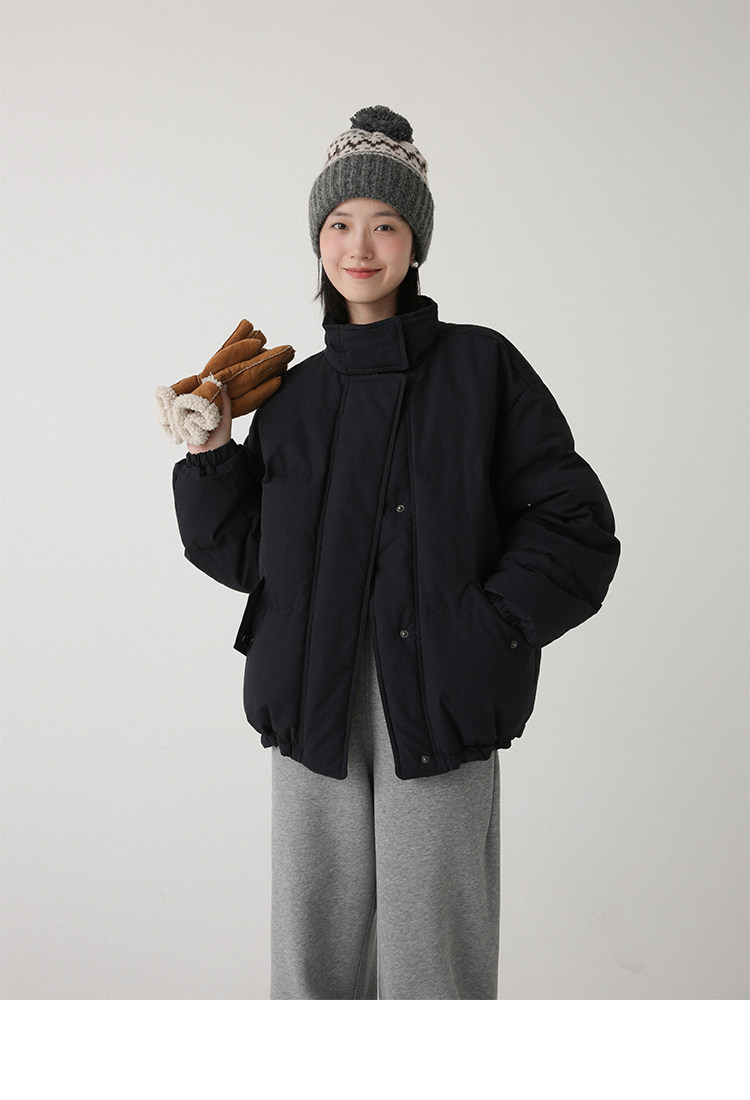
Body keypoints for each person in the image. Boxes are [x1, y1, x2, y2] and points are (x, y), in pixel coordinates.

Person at [171, 106, 620, 1000]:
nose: (360, 245)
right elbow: (250, 554)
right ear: (318, 240)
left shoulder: (482, 369)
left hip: (441, 703)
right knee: (313, 969)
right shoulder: (294, 398)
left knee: (433, 968)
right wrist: (212, 457)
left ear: (415, 242)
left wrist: (486, 629)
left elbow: (575, 523)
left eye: (384, 224)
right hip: (311, 701)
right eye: (340, 223)